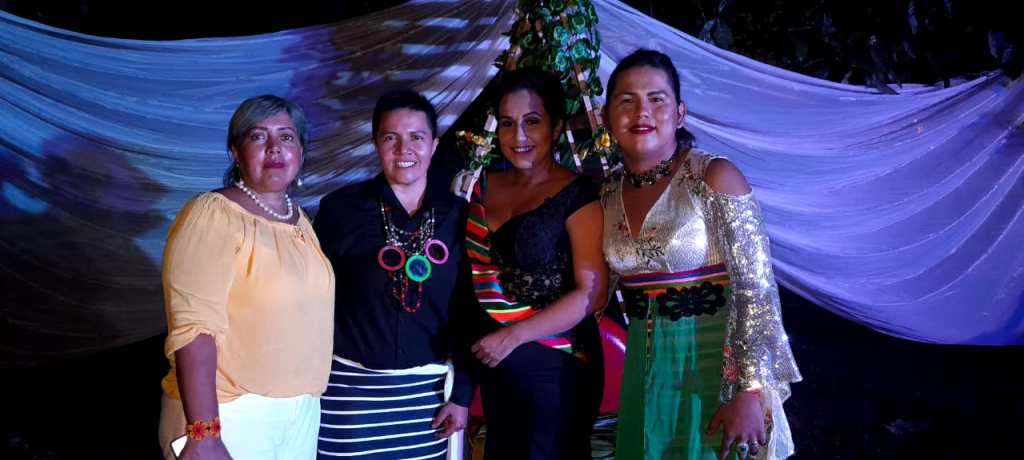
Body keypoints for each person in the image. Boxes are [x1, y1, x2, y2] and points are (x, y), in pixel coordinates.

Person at [600, 48, 803, 460]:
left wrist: (749, 390)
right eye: (627, 100)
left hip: (713, 368)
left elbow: (756, 290)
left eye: (656, 99)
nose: (642, 112)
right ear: (607, 117)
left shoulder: (713, 176)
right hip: (645, 367)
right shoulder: (605, 193)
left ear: (680, 114)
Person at [158, 95, 335, 459]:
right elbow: (194, 330)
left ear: (301, 152)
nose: (275, 147)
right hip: (230, 413)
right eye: (258, 136)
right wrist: (204, 433)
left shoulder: (300, 221)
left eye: (286, 136)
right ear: (235, 151)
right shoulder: (212, 214)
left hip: (300, 412)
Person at [313, 89, 472, 459]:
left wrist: (463, 395)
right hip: (348, 397)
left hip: (428, 400)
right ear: (375, 144)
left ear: (434, 145)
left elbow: (469, 310)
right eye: (390, 138)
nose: (405, 149)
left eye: (417, 137)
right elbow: (312, 299)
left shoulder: (459, 216)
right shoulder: (340, 210)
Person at [463, 67, 608, 459]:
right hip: (498, 366)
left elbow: (592, 295)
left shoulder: (578, 195)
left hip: (559, 365)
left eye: (532, 122)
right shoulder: (484, 186)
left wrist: (513, 336)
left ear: (556, 126)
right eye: (507, 123)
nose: (518, 137)